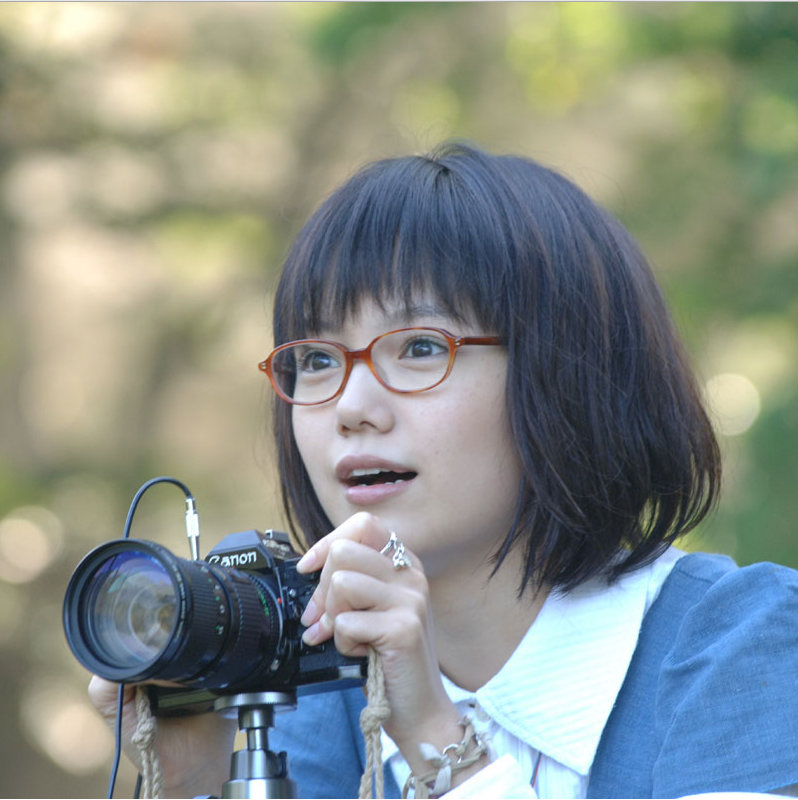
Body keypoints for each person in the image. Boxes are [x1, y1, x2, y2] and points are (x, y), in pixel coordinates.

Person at [89, 142, 798, 798]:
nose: (351, 407)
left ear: (568, 373)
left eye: (421, 347)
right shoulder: (311, 699)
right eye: (317, 359)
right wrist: (196, 782)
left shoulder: (740, 647)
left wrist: (435, 739)